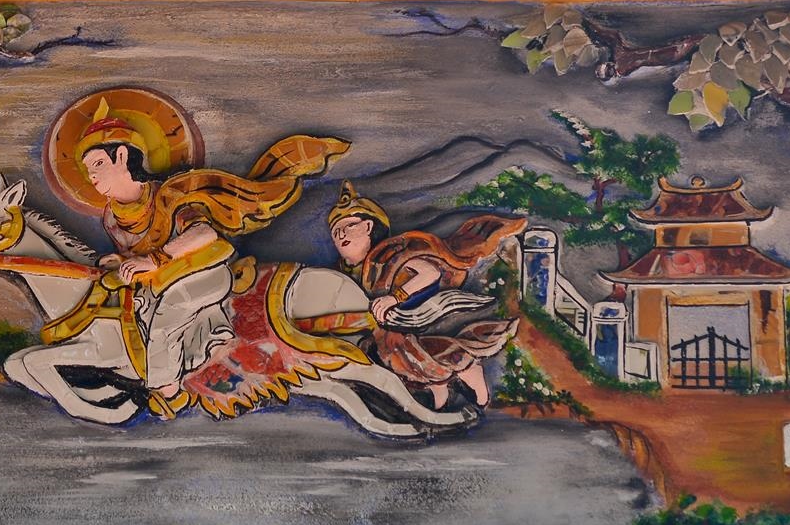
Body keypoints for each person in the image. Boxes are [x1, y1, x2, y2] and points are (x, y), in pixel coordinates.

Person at [66, 101, 347, 417]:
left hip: (204, 271)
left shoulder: (167, 195)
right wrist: (122, 262)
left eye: (97, 164)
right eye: (87, 170)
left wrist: (156, 259)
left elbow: (203, 233)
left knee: (167, 317)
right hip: (158, 284)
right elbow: (136, 258)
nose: (92, 176)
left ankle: (169, 392)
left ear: (121, 156)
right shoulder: (112, 219)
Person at [326, 182, 524, 408]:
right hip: (380, 330)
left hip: (416, 317)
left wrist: (395, 298)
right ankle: (436, 390)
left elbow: (430, 273)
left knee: (419, 352)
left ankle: (466, 372)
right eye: (335, 232)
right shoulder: (342, 272)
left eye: (350, 225)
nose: (342, 234)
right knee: (385, 355)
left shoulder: (391, 254)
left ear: (369, 226)